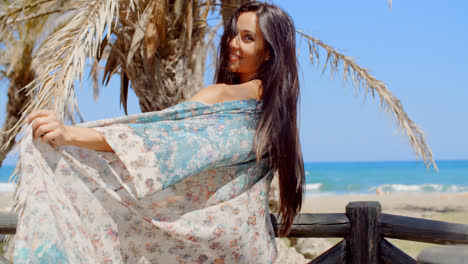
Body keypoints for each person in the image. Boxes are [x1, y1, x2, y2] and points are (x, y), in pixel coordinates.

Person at [11, 1, 305, 263]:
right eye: (233, 33)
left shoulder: (223, 96)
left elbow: (159, 139)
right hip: (252, 247)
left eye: (248, 38)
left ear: (268, 52)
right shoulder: (277, 112)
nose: (232, 43)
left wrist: (69, 136)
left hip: (215, 248)